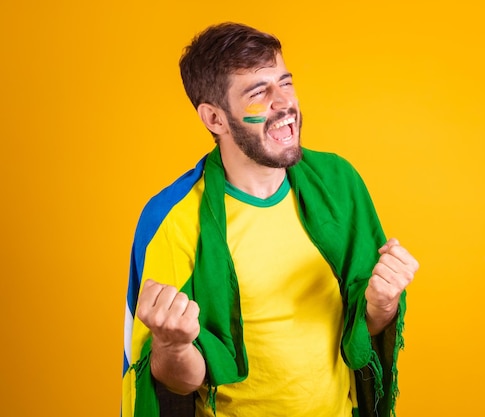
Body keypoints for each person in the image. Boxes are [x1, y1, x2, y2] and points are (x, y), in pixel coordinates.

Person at [122, 22, 419, 417]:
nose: (284, 103)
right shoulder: (171, 220)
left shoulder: (338, 183)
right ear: (214, 118)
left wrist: (383, 304)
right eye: (259, 92)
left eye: (285, 82)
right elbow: (176, 382)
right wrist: (172, 345)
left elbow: (366, 333)